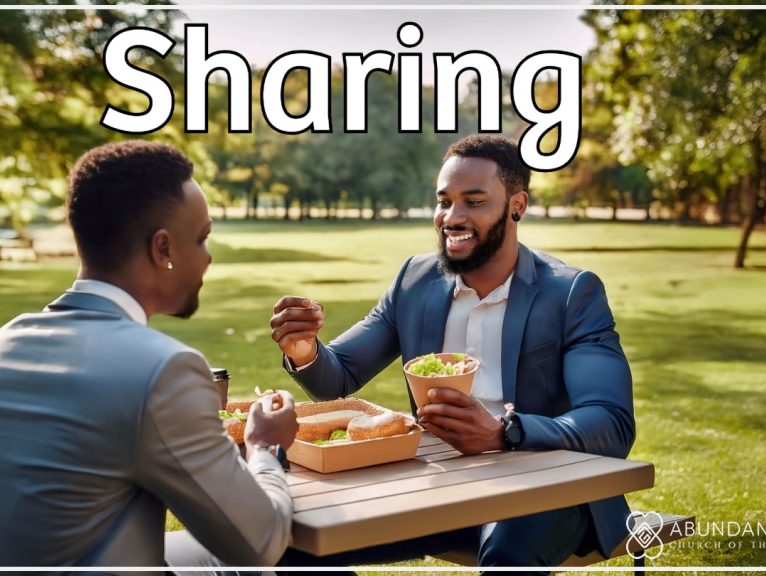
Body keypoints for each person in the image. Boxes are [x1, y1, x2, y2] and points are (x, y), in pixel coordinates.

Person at [270, 135, 635, 570]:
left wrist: (505, 431)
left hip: (549, 486)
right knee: (295, 540)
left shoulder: (571, 292)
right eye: (444, 201)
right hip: (437, 484)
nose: (452, 217)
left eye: (474, 202)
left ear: (516, 205)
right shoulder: (415, 280)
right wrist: (305, 349)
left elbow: (611, 423)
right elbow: (340, 375)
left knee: (506, 556)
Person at [0, 141, 296, 574]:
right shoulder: (163, 370)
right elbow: (260, 543)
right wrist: (263, 447)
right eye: (201, 239)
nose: (208, 256)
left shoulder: (2, 342)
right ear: (163, 250)